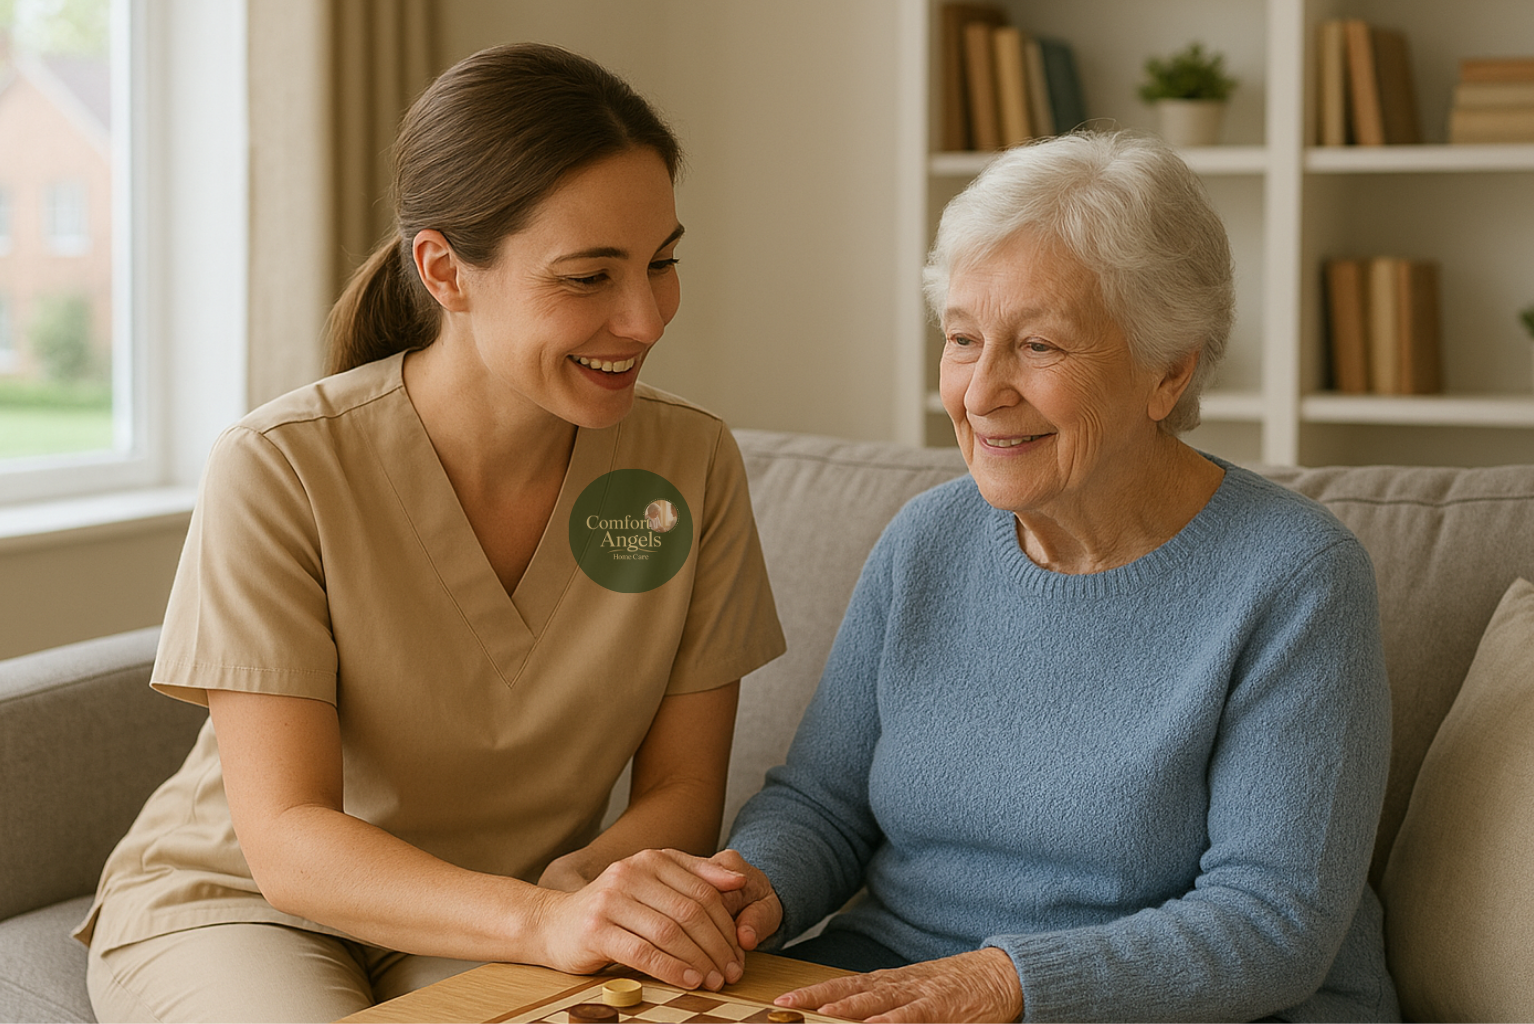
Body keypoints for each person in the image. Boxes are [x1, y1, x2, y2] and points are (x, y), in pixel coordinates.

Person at [74, 43, 785, 1023]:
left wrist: (591, 886)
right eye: (588, 277)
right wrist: (541, 922)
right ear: (445, 270)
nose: (643, 316)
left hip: (515, 910)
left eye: (661, 262)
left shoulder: (690, 466)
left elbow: (682, 786)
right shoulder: (281, 465)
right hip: (242, 905)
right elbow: (284, 835)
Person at [711, 132, 1399, 1022]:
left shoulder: (1297, 579)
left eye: (1038, 345)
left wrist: (1004, 985)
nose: (981, 391)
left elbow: (1272, 922)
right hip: (902, 983)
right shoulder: (925, 540)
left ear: (1170, 370)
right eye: (963, 339)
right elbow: (823, 805)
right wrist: (745, 888)